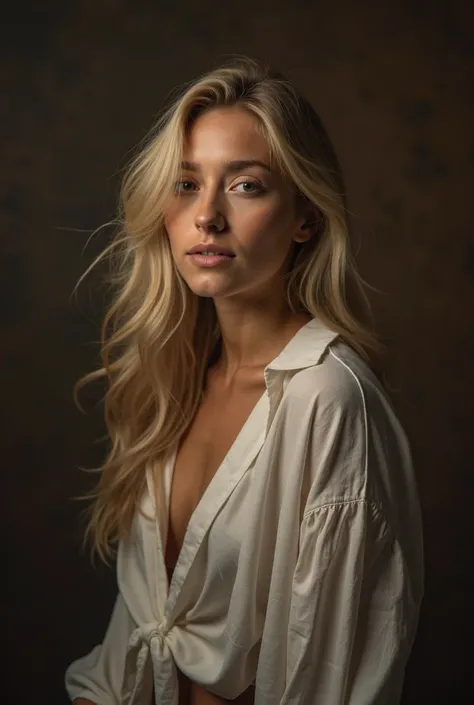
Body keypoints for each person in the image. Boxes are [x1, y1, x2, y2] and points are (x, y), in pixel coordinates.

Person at [65, 57, 423, 705]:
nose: (206, 215)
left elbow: (335, 679)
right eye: (184, 183)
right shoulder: (174, 384)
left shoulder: (328, 400)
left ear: (306, 217)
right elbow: (135, 647)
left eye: (245, 185)